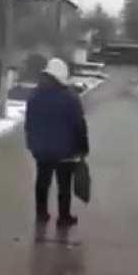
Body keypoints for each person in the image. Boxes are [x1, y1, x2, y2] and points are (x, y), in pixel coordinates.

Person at [25, 57, 89, 229]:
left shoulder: (35, 95)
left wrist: (31, 144)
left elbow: (29, 123)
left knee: (42, 182)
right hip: (65, 150)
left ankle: (41, 213)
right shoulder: (70, 98)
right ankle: (64, 217)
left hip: (42, 149)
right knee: (64, 185)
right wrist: (83, 147)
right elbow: (79, 125)